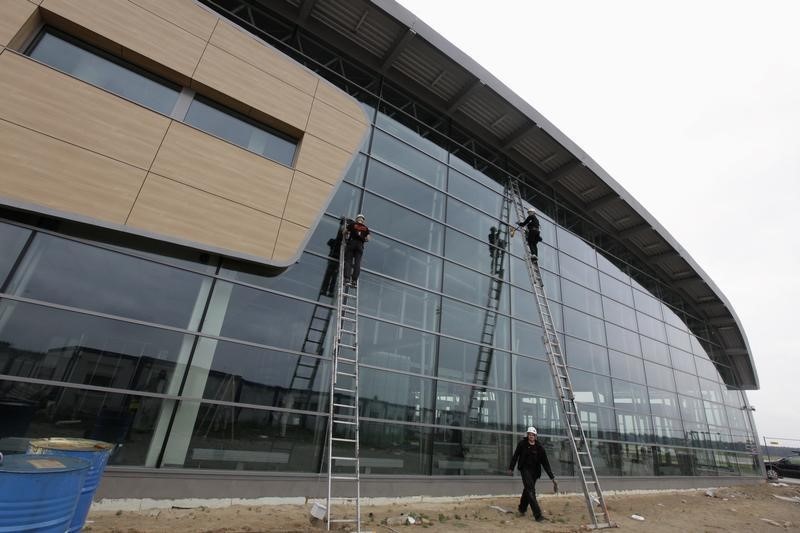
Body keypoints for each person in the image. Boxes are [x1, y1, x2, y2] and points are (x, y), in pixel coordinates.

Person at [508, 426, 557, 522]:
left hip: (535, 472)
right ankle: (538, 516)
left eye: (533, 435)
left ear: (535, 436)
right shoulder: (522, 444)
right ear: (527, 435)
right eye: (530, 434)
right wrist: (511, 467)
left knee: (527, 490)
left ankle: (522, 509)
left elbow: (545, 464)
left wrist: (552, 477)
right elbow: (515, 456)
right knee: (531, 490)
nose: (531, 436)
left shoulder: (540, 448)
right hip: (525, 470)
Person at [343, 214, 370, 287]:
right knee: (357, 263)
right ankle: (354, 280)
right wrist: (362, 239)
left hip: (352, 243)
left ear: (357, 219)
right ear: (363, 220)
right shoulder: (366, 228)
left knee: (348, 261)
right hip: (360, 246)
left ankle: (347, 279)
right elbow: (368, 239)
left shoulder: (352, 224)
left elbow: (345, 231)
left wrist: (346, 236)